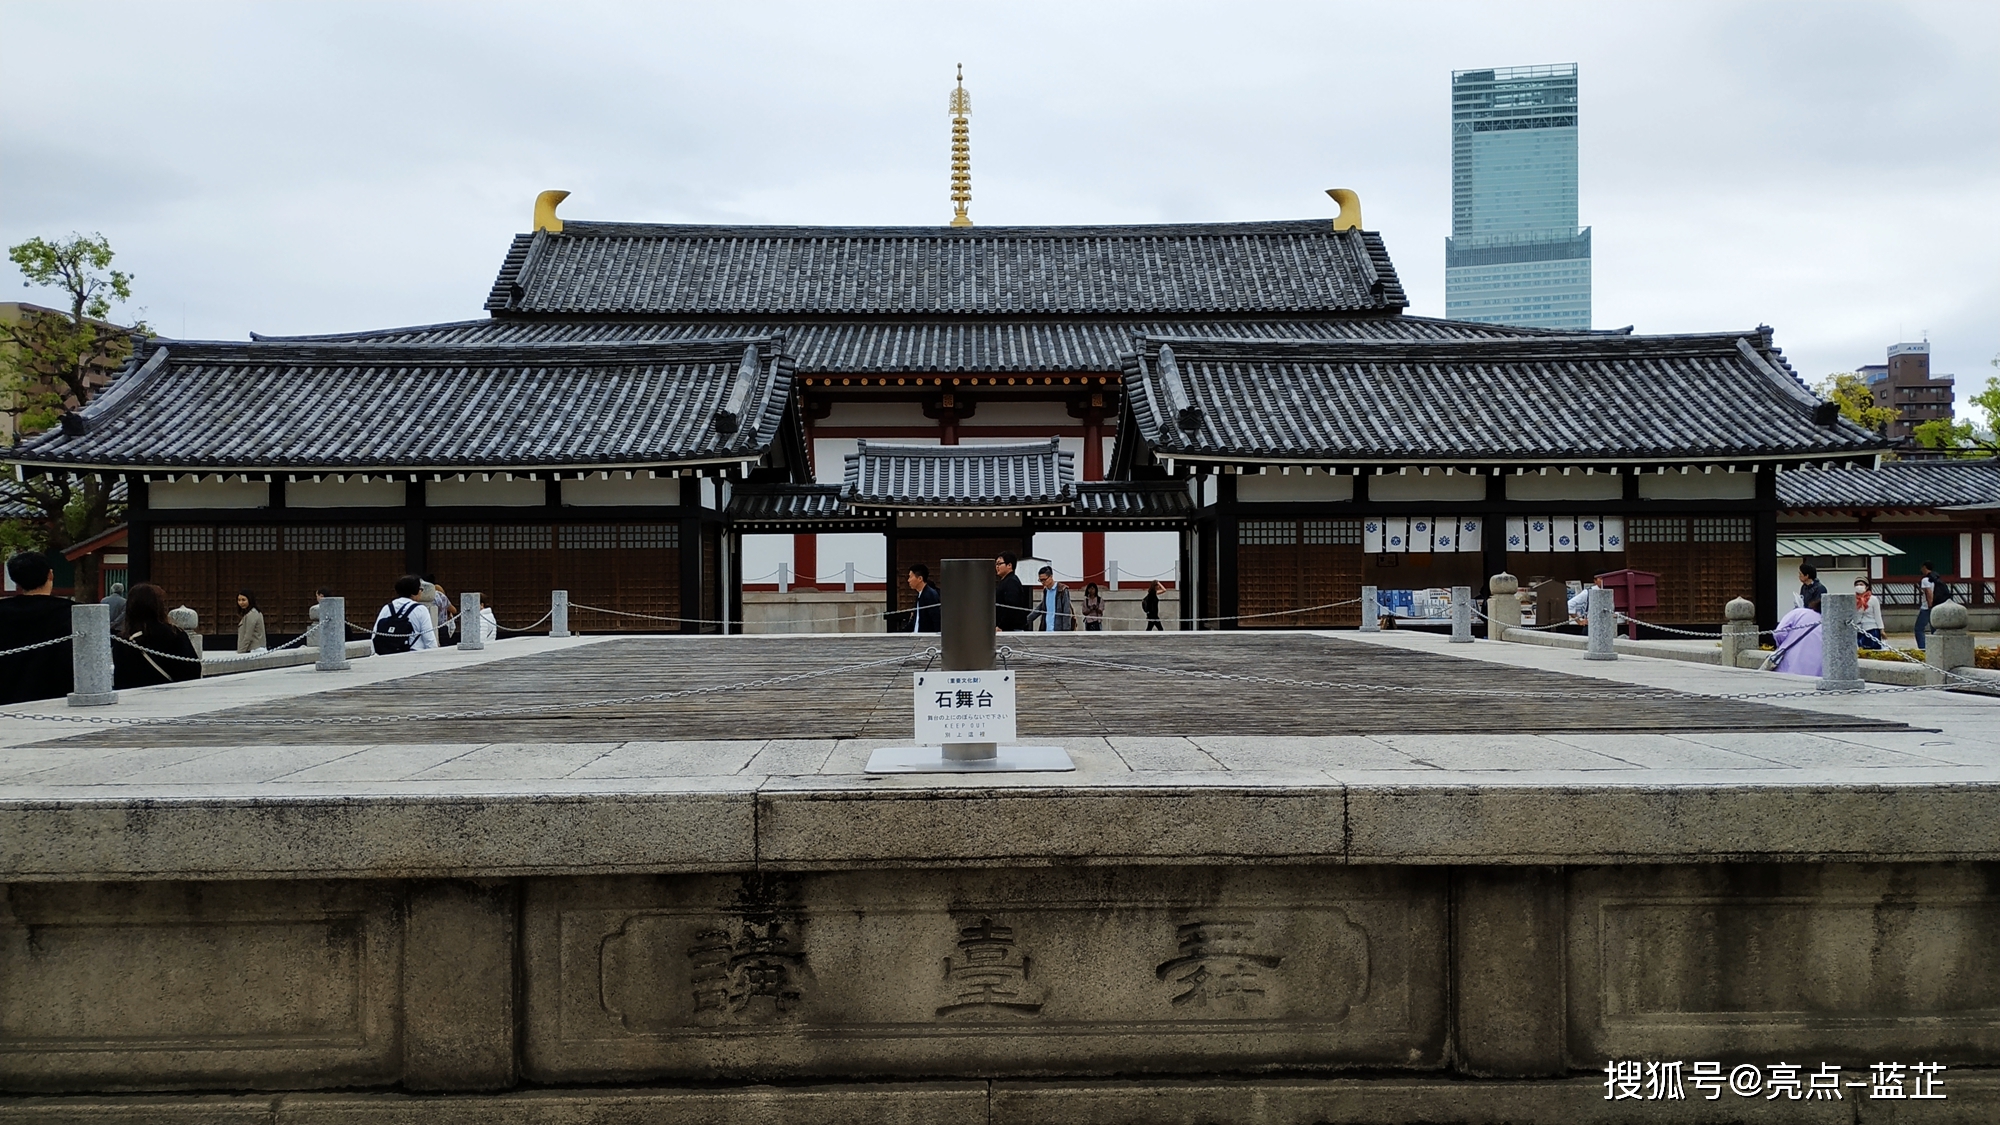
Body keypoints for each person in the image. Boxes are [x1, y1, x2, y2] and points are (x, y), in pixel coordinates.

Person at [0, 551, 74, 705]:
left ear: (15, 580)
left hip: (5, 694)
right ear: (51, 575)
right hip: (59, 696)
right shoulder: (72, 612)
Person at [112, 583, 203, 689]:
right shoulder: (174, 634)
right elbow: (192, 671)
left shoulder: (123, 641)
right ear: (158, 606)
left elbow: (120, 680)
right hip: (171, 698)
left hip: (134, 700)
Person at [373, 574, 437, 654]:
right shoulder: (421, 610)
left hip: (388, 656)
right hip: (414, 655)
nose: (421, 591)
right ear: (415, 592)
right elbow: (429, 639)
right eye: (420, 589)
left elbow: (375, 634)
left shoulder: (387, 608)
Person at [1768, 591, 1824, 677]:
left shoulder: (1799, 613)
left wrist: (1782, 645)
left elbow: (1779, 633)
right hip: (1815, 673)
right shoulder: (1831, 626)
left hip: (1787, 665)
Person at [1028, 565, 1074, 632]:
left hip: (1058, 630)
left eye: (1044, 580)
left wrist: (1066, 632)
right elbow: (1040, 608)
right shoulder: (1046, 591)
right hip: (1046, 629)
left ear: (1051, 577)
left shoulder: (1062, 590)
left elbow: (1066, 613)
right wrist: (1027, 619)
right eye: (1040, 580)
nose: (1042, 582)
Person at [994, 553, 1031, 632]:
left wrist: (1001, 626)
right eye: (996, 564)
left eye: (1000, 564)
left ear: (1009, 565)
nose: (997, 566)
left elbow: (1011, 606)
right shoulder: (1005, 581)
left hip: (1011, 629)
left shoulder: (1011, 582)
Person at [906, 564, 941, 633]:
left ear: (920, 579)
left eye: (910, 577)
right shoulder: (920, 594)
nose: (908, 580)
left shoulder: (930, 595)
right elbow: (915, 620)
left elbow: (936, 619)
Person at [1853, 578, 1885, 650]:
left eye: (1861, 584)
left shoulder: (1873, 599)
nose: (1859, 586)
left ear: (1866, 587)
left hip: (1872, 628)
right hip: (1858, 628)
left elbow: (1877, 615)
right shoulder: (1852, 599)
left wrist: (1881, 630)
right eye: (1857, 585)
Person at [235, 589, 267, 653]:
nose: (241, 602)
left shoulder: (252, 614)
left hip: (254, 650)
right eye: (239, 600)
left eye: (243, 600)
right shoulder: (251, 613)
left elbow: (248, 635)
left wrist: (241, 651)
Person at [1916, 561, 1938, 651]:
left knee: (1919, 628)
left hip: (1927, 607)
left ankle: (1923, 647)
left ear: (1925, 567)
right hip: (1936, 606)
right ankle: (1936, 646)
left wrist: (1930, 604)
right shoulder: (1936, 578)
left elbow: (1928, 592)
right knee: (1934, 629)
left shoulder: (1925, 580)